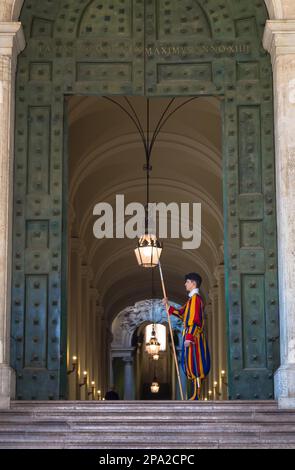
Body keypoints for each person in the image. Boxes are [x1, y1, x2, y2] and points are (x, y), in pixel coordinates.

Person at [163, 272, 210, 400]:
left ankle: (196, 394)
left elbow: (195, 320)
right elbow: (182, 313)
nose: (185, 284)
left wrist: (189, 337)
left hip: (193, 336)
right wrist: (168, 306)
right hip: (190, 335)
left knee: (195, 363)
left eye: (187, 282)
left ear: (193, 283)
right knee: (190, 364)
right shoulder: (191, 300)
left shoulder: (196, 299)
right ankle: (194, 394)